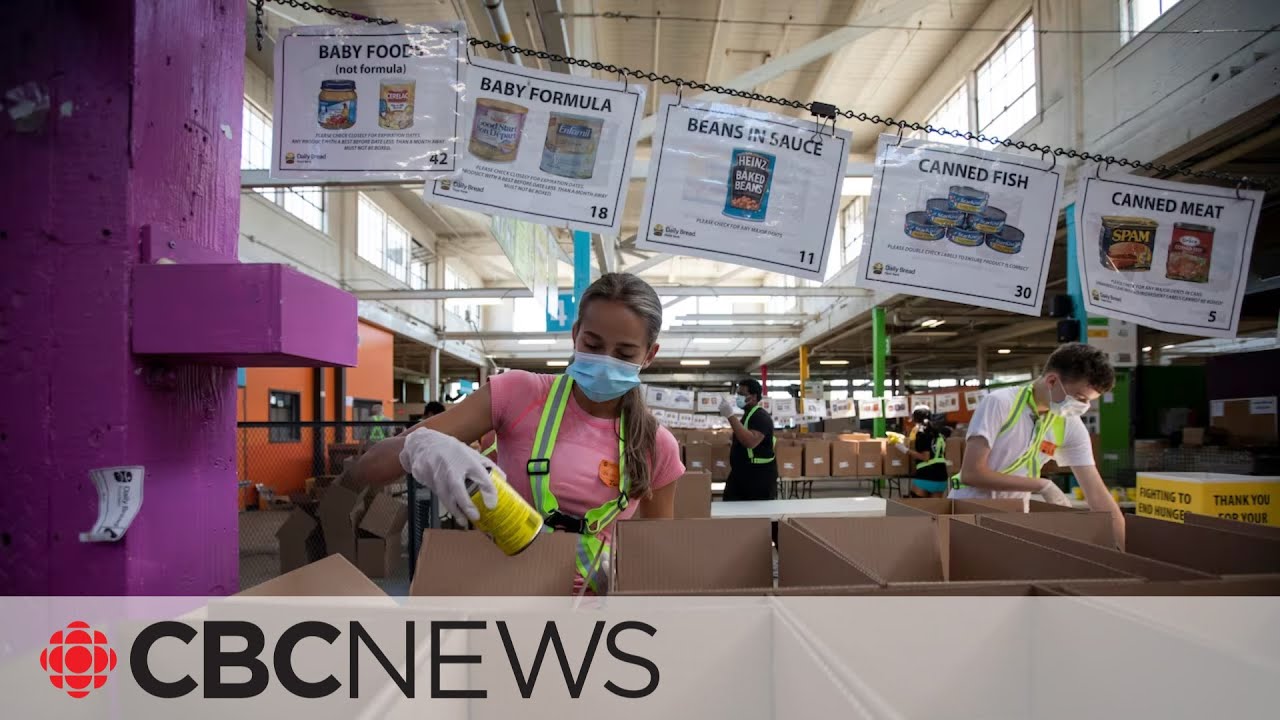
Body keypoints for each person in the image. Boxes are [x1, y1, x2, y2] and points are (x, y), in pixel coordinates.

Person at [349, 273, 685, 592]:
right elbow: (369, 468)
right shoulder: (518, 394)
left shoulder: (657, 446)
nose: (605, 361)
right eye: (592, 344)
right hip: (503, 597)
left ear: (650, 355)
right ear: (575, 334)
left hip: (594, 615)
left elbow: (654, 558)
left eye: (624, 354)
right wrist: (420, 446)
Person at [950, 342, 1125, 546]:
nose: (1083, 407)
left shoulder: (1070, 425)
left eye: (1088, 402)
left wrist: (1121, 550)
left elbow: (1097, 494)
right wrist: (1042, 485)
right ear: (1052, 381)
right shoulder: (1000, 403)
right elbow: (972, 473)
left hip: (1015, 515)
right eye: (1079, 398)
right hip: (969, 511)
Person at [719, 378, 777, 502]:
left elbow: (751, 442)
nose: (738, 397)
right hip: (742, 474)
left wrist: (730, 416)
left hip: (757, 478)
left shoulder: (761, 417)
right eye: (738, 394)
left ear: (754, 396)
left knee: (754, 516)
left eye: (742, 394)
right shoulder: (749, 415)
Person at [903, 406, 948, 497]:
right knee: (934, 509)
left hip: (926, 476)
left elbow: (925, 457)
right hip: (942, 477)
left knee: (919, 508)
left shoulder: (921, 433)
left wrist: (906, 450)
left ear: (915, 419)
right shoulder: (938, 434)